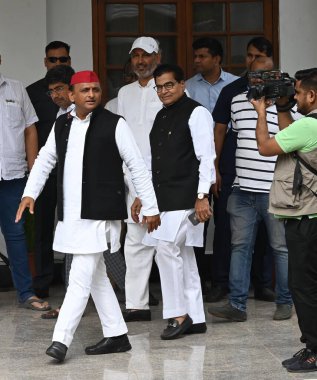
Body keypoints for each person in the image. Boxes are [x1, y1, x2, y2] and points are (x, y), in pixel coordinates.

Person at [16, 70, 160, 362]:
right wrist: (29, 193)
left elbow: (137, 166)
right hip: (71, 217)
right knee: (96, 278)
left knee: (80, 277)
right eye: (84, 90)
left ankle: (60, 340)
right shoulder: (61, 125)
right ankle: (117, 335)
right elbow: (45, 160)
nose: (91, 95)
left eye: (95, 89)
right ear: (72, 95)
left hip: (99, 216)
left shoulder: (115, 124)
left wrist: (152, 207)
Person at [208, 57, 294, 322]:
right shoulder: (235, 101)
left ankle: (285, 301)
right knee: (240, 247)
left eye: (267, 76)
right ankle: (236, 305)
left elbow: (291, 139)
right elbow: (228, 135)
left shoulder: (287, 107)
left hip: (274, 190)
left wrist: (273, 107)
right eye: (256, 77)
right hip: (243, 189)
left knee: (280, 248)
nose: (260, 82)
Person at [251, 67, 317, 373]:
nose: (296, 97)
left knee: (303, 286)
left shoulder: (309, 128)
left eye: (299, 93)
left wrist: (261, 112)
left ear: (311, 95)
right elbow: (291, 136)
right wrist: (281, 108)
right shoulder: (309, 126)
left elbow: (266, 147)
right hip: (312, 215)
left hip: (306, 219)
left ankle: (314, 351)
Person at [143, 63, 215, 339]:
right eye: (159, 86)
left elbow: (206, 157)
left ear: (182, 84)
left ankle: (178, 315)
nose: (163, 91)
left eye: (169, 85)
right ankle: (195, 317)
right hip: (164, 198)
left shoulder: (197, 112)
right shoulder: (161, 117)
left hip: (188, 198)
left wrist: (202, 197)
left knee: (166, 249)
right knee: (183, 256)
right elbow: (154, 161)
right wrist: (143, 195)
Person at [209, 36, 275, 303]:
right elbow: (219, 130)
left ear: (270, 59)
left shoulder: (282, 90)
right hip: (234, 171)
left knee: (269, 235)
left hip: (270, 174)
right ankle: (221, 283)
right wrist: (214, 168)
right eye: (249, 56)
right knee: (227, 229)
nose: (252, 61)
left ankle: (262, 284)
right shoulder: (233, 90)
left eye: (258, 56)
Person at [185, 37, 237, 296]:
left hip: (228, 157)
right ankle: (197, 280)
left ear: (217, 58)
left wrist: (217, 165)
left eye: (202, 56)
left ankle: (220, 280)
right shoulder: (188, 87)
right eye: (195, 56)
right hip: (195, 160)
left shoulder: (235, 85)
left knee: (224, 222)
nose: (196, 60)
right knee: (197, 222)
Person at [0, 53, 50, 311]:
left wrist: (33, 171)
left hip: (13, 176)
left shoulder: (17, 88)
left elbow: (31, 128)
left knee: (17, 235)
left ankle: (26, 293)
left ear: (0, 59)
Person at [117, 36, 162, 322]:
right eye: (136, 55)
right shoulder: (124, 92)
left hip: (163, 175)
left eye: (146, 55)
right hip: (132, 176)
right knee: (135, 241)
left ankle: (176, 307)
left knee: (167, 243)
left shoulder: (168, 89)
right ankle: (136, 305)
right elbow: (121, 137)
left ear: (158, 57)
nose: (141, 61)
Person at [27, 41, 72, 299]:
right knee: (42, 228)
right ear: (45, 61)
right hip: (45, 171)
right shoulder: (33, 92)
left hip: (74, 173)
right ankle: (42, 282)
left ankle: (72, 281)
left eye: (62, 59)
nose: (57, 63)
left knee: (73, 225)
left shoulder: (80, 91)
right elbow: (28, 131)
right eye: (52, 59)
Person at [39, 64, 75, 320]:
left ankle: (135, 297)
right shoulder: (60, 118)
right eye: (51, 91)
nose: (55, 96)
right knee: (77, 250)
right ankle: (72, 303)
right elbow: (47, 157)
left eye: (60, 89)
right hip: (68, 190)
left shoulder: (86, 114)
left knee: (107, 252)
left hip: (90, 194)